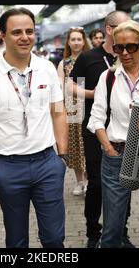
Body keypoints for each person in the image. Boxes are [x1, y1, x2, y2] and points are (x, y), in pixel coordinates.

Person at [0, 7, 68, 248]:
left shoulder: (46, 68)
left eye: (29, 31)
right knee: (16, 240)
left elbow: (59, 111)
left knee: (54, 239)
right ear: (2, 35)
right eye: (16, 32)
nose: (25, 37)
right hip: (8, 166)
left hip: (47, 164)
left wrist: (61, 156)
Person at [87, 20, 139, 248]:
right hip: (118, 153)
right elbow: (96, 118)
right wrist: (109, 149)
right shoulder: (109, 77)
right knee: (112, 228)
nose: (124, 53)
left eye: (130, 47)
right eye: (118, 47)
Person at [69, 10, 130, 248]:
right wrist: (92, 94)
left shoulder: (131, 54)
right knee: (96, 183)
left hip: (125, 129)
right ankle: (93, 234)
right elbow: (70, 84)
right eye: (123, 27)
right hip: (95, 128)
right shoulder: (89, 57)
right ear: (109, 29)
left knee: (124, 182)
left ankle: (121, 233)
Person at [57, 27, 90, 195]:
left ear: (84, 41)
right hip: (71, 109)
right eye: (73, 39)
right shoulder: (64, 63)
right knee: (74, 147)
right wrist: (58, 112)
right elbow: (59, 88)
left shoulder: (90, 59)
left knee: (88, 146)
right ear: (68, 42)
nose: (76, 42)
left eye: (79, 39)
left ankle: (88, 180)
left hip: (89, 106)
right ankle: (79, 182)